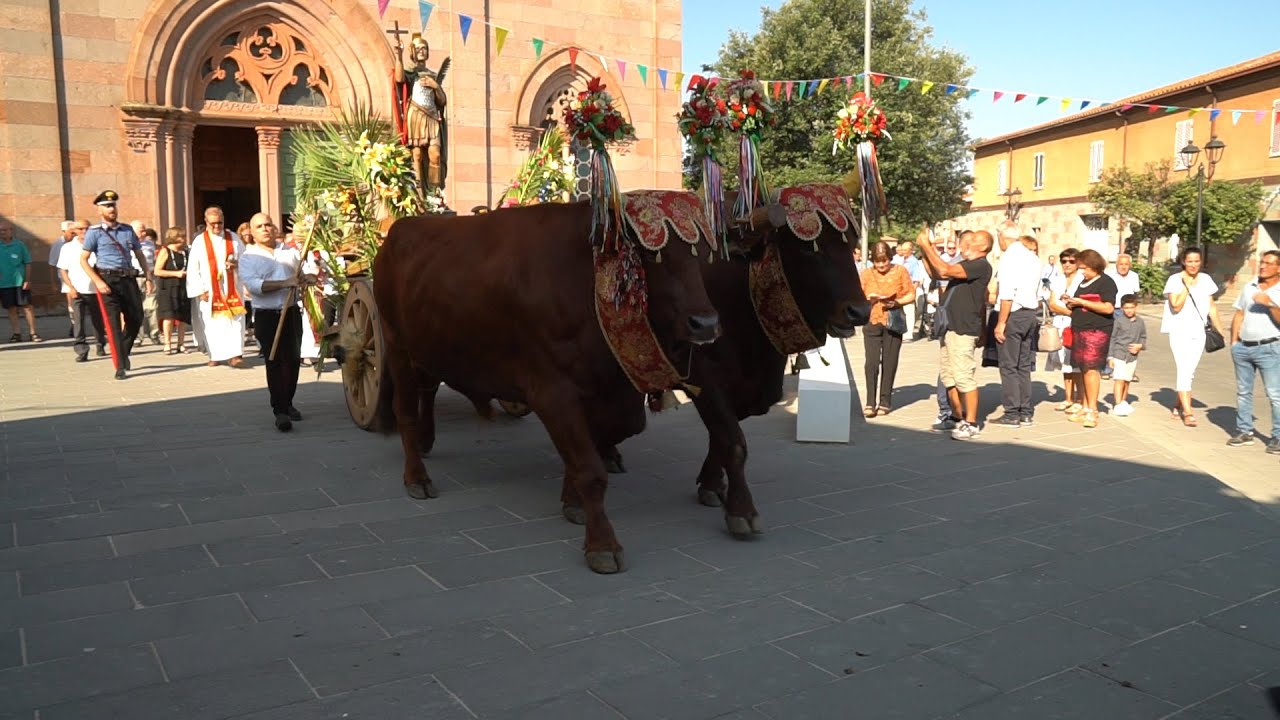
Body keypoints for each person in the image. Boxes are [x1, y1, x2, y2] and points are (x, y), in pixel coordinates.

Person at [238, 212, 311, 431]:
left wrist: (308, 279)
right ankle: (279, 410)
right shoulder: (248, 257)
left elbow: (302, 274)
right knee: (274, 360)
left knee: (292, 359)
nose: (266, 229)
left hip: (291, 312)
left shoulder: (290, 252)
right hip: (267, 315)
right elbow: (253, 286)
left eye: (268, 225)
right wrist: (284, 283)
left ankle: (288, 402)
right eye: (260, 226)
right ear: (251, 231)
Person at [920, 227, 993, 441]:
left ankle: (971, 423)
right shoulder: (965, 264)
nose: (967, 244)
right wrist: (927, 251)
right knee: (949, 375)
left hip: (963, 328)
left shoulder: (980, 265)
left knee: (963, 376)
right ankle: (955, 415)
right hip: (950, 327)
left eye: (973, 241)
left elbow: (943, 270)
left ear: (984, 247)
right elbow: (937, 272)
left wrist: (927, 245)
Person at [79, 191, 151, 379]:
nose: (112, 209)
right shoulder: (94, 233)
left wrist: (148, 276)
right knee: (113, 323)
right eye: (107, 206)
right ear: (99, 210)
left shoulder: (127, 230)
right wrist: (98, 281)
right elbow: (84, 260)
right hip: (107, 280)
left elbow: (139, 254)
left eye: (113, 205)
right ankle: (119, 365)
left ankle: (123, 351)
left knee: (136, 318)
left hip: (128, 279)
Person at [1161, 246, 1222, 428]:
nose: (1194, 265)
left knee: (1190, 370)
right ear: (1183, 262)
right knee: (1184, 369)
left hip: (1199, 331)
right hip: (1179, 330)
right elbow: (1176, 305)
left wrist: (1220, 329)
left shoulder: (1206, 279)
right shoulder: (1174, 280)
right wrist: (1187, 286)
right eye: (1190, 261)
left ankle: (1179, 403)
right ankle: (1188, 412)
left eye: (1197, 261)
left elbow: (1212, 306)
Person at [1227, 249, 1280, 453]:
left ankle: (1277, 436)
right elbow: (1240, 313)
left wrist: (1270, 304)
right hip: (1243, 348)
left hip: (1270, 348)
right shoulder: (1249, 286)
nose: (1263, 266)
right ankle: (1244, 431)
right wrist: (1234, 342)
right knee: (1243, 392)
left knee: (1275, 395)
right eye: (1262, 262)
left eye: (1268, 263)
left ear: (1278, 268)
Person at [859, 241, 915, 417]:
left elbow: (911, 294)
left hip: (893, 321)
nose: (881, 265)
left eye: (884, 261)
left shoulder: (900, 271)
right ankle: (870, 402)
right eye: (877, 261)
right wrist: (869, 299)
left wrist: (897, 302)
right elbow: (858, 296)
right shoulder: (866, 274)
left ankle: (885, 401)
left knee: (890, 363)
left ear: (890, 259)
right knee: (871, 363)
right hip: (872, 320)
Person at [992, 229, 1042, 427]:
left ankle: (1012, 412)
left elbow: (1007, 295)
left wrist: (1001, 323)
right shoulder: (1033, 258)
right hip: (1030, 314)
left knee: (1008, 365)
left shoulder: (1009, 258)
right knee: (1023, 365)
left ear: (1003, 238)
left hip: (1014, 314)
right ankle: (1026, 411)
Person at [1063, 249, 1117, 429]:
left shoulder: (1106, 282)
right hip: (1080, 328)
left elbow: (1108, 308)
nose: (1082, 271)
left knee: (1092, 369)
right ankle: (1085, 405)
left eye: (1084, 268)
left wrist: (1083, 302)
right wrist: (1071, 301)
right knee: (1083, 368)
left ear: (1094, 266)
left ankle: (1093, 409)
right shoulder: (1083, 282)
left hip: (1096, 330)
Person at [186, 206, 247, 367]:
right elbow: (193, 268)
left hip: (232, 288)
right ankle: (215, 354)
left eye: (219, 223)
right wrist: (199, 291)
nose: (216, 227)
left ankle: (235, 354)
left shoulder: (233, 238)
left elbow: (246, 260)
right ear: (206, 222)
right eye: (212, 223)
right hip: (209, 290)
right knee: (212, 322)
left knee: (235, 321)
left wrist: (235, 264)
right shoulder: (199, 241)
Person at [57, 219, 106, 362]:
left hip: (95, 289)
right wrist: (70, 287)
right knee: (79, 321)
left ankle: (100, 344)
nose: (84, 232)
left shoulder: (98, 245)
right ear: (74, 231)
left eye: (87, 229)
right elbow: (63, 270)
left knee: (98, 320)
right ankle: (81, 349)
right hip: (77, 289)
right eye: (80, 229)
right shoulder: (67, 248)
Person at [1048, 249, 1084, 414]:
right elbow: (1052, 304)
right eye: (1064, 261)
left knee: (1076, 364)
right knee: (1065, 363)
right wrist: (1070, 312)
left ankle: (1080, 398)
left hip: (1077, 324)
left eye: (1071, 261)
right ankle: (1068, 397)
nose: (1067, 264)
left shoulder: (1082, 279)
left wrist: (1072, 312)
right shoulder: (1057, 279)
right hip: (1062, 322)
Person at [0, 219, 41, 343]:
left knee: (27, 307)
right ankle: (16, 333)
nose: (3, 232)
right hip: (4, 283)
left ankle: (33, 333)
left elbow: (27, 263)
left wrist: (27, 280)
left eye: (5, 230)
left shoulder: (20, 245)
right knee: (11, 309)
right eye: (0, 231)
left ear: (11, 231)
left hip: (20, 282)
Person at [1108, 294, 1147, 417]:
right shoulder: (1118, 321)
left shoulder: (1140, 322)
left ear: (1136, 307)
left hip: (1132, 356)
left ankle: (1124, 401)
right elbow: (1112, 338)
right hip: (1119, 354)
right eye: (1126, 308)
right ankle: (1118, 404)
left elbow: (1143, 336)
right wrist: (1110, 357)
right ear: (1122, 308)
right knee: (1119, 379)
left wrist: (1140, 346)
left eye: (1131, 307)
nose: (1129, 310)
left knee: (1127, 380)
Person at [155, 227, 192, 354]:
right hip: (168, 288)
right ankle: (167, 343)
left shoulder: (185, 252)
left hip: (183, 287)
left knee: (183, 317)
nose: (184, 239)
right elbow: (157, 271)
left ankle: (181, 343)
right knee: (169, 316)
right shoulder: (165, 251)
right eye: (182, 236)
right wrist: (176, 274)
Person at [50, 220, 75, 337]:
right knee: (72, 302)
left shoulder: (77, 242)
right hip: (65, 277)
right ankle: (74, 325)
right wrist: (53, 282)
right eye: (71, 232)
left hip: (79, 275)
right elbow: (52, 264)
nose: (74, 234)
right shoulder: (58, 244)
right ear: (64, 231)